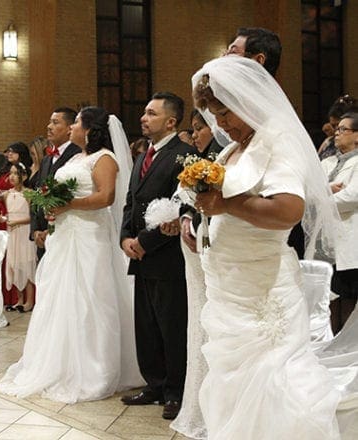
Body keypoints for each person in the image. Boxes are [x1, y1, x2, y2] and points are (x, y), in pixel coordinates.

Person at [191, 56, 344, 440]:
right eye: (214, 115)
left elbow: (288, 210)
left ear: (246, 101)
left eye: (225, 113)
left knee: (273, 384)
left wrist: (226, 205)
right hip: (229, 288)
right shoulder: (232, 150)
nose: (221, 124)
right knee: (234, 385)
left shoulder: (278, 142)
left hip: (261, 289)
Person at [0, 107, 143, 403]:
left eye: (76, 122)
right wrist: (53, 208)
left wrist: (69, 205)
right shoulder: (76, 159)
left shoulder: (104, 158)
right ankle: (61, 362)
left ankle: (96, 368)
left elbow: (106, 197)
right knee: (60, 296)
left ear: (89, 129)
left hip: (90, 236)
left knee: (90, 297)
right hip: (65, 236)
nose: (72, 127)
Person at [119, 92, 194, 420]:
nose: (143, 118)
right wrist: (125, 237)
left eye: (151, 113)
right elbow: (131, 201)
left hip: (167, 255)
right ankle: (156, 384)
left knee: (171, 325)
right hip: (140, 255)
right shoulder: (143, 156)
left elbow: (183, 207)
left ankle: (176, 390)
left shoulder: (185, 156)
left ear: (171, 121)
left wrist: (146, 242)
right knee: (147, 325)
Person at [169, 109, 224, 439]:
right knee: (199, 318)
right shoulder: (200, 160)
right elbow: (188, 200)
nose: (194, 136)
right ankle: (199, 397)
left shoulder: (222, 156)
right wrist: (187, 217)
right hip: (197, 242)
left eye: (198, 129)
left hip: (221, 248)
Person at [321, 112, 358, 333]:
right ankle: (331, 344)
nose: (337, 132)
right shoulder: (327, 162)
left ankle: (348, 347)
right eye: (337, 128)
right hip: (324, 239)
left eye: (343, 129)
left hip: (349, 237)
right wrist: (327, 191)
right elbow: (308, 189)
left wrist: (321, 199)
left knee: (348, 298)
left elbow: (352, 196)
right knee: (327, 297)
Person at [30, 107, 81, 260]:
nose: (49, 126)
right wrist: (35, 230)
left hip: (65, 234)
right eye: (50, 122)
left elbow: (75, 196)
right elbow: (37, 195)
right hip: (42, 239)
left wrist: (52, 230)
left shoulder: (78, 155)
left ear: (69, 128)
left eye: (55, 122)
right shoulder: (46, 160)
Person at [3, 163, 36, 313]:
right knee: (14, 264)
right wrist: (3, 219)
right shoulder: (7, 194)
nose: (12, 176)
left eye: (16, 173)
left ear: (24, 176)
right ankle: (19, 299)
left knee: (26, 263)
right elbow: (10, 214)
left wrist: (16, 222)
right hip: (13, 233)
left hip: (24, 232)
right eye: (10, 173)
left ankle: (30, 300)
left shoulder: (29, 194)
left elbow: (32, 217)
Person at [0, 142, 33, 231]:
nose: (10, 154)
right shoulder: (1, 171)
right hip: (2, 209)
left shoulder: (26, 172)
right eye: (9, 151)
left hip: (19, 213)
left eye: (13, 152)